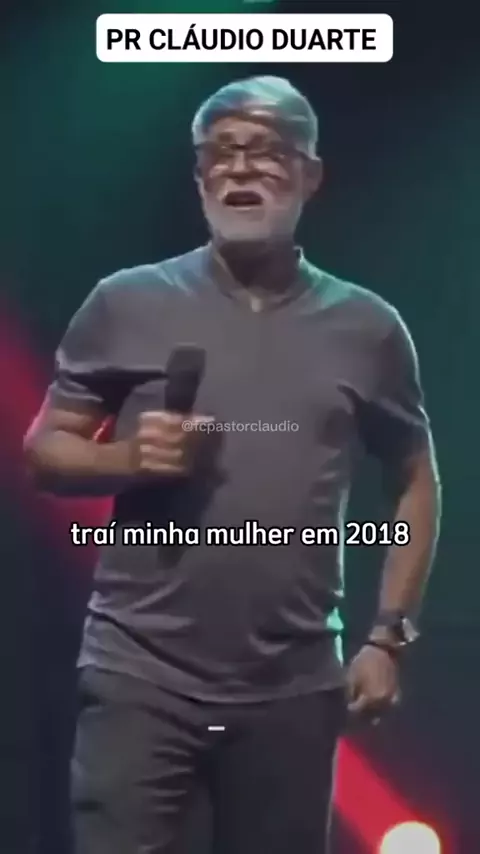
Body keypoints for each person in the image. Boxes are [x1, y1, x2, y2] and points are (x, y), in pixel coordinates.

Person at [24, 76, 441, 854]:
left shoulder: (368, 327)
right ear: (198, 176)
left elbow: (415, 477)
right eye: (220, 152)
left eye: (267, 150)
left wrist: (388, 637)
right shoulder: (126, 302)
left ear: (312, 174)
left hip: (293, 685)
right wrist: (126, 457)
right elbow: (46, 453)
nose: (240, 167)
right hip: (140, 675)